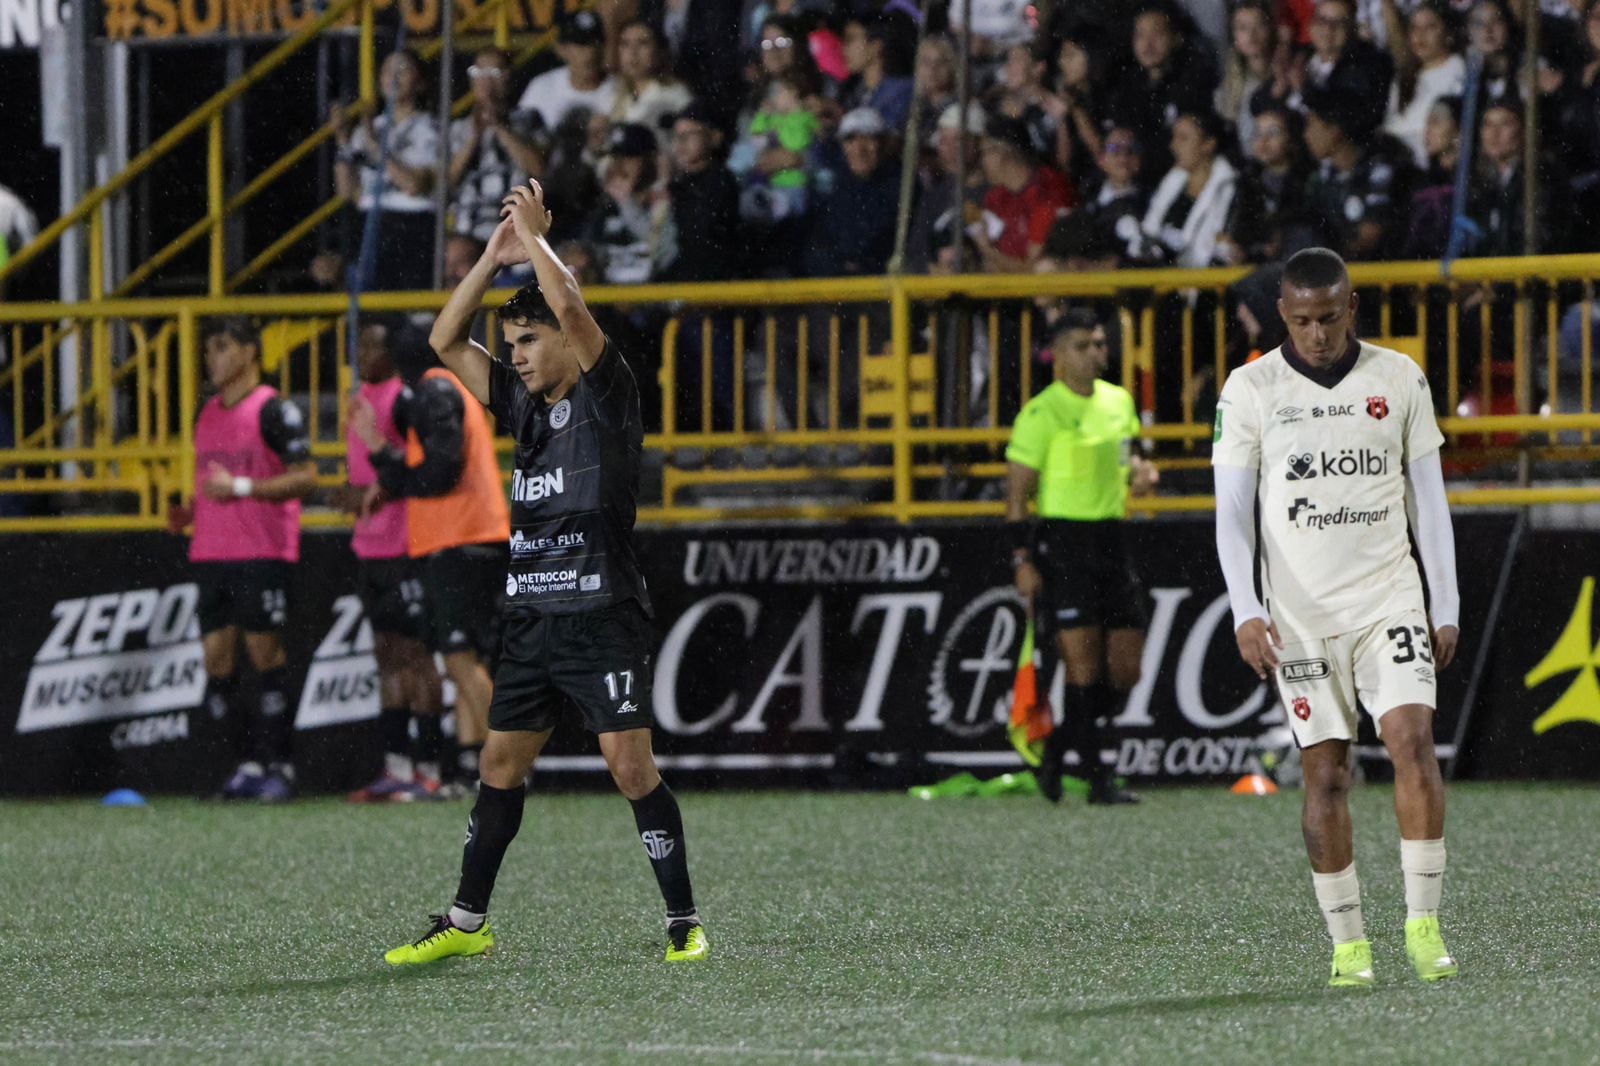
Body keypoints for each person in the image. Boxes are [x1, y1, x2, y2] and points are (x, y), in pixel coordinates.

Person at [383, 185, 708, 966]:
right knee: (499, 766)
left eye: (528, 340)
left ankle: (683, 920)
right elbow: (444, 337)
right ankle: (468, 924)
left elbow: (570, 304)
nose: (517, 356)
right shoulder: (522, 408)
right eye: (514, 343)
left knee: (630, 767)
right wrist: (495, 261)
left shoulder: (608, 392)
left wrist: (533, 241)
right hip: (532, 615)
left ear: (565, 337)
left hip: (602, 613)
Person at [1212, 246, 1461, 988]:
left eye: (1327, 318)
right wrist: (1245, 610)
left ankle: (1423, 925)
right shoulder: (1251, 388)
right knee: (1325, 775)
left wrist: (1443, 603)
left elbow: (1430, 499)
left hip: (1389, 598)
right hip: (1300, 616)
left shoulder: (1398, 376)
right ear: (1283, 316)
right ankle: (1349, 945)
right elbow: (1231, 515)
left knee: (1412, 742)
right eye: (1299, 321)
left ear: (1352, 309)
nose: (1315, 334)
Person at [353, 313, 511, 797]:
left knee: (460, 658)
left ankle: (510, 766)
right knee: (464, 658)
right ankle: (469, 771)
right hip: (471, 536)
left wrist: (380, 451)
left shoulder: (435, 390)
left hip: (459, 537)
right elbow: (430, 469)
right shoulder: (451, 386)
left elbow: (440, 474)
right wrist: (391, 471)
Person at [1007, 308, 1158, 806]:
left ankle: (1058, 748)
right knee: (1083, 667)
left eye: (1099, 344)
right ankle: (1098, 779)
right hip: (1065, 544)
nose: (1097, 352)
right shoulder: (1040, 413)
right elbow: (1016, 498)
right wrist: (1021, 559)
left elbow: (1129, 455)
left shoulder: (1119, 402)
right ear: (1058, 354)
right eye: (1084, 345)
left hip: (1112, 538)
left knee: (1126, 670)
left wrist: (1140, 472)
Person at [172, 317, 315, 801]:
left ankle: (282, 767)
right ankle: (244, 765)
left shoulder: (274, 410)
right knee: (216, 661)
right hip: (212, 553)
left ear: (250, 352)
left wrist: (242, 488)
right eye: (209, 349)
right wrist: (190, 512)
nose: (212, 358)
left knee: (265, 655)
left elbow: (306, 477)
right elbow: (208, 478)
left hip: (262, 551)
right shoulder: (206, 411)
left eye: (222, 347)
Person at [343, 318, 447, 803]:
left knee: (417, 656)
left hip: (407, 543)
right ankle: (396, 766)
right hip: (369, 545)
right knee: (385, 653)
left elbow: (417, 467)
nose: (362, 352)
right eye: (359, 344)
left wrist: (385, 485)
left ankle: (429, 768)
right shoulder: (358, 399)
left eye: (372, 345)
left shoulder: (405, 401)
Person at [332, 49, 442, 291]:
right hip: (370, 222)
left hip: (411, 223)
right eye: (387, 70)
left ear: (421, 83)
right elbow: (347, 191)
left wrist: (374, 146)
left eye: (403, 69)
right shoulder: (371, 128)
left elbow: (414, 185)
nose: (394, 76)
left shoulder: (430, 128)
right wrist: (342, 141)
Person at [448, 48, 546, 247]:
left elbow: (538, 169)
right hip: (469, 229)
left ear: (509, 77)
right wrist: (474, 138)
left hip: (517, 226)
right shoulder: (458, 128)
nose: (486, 81)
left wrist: (500, 127)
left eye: (494, 73)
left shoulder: (528, 119)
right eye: (478, 72)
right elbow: (447, 181)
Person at [1133, 109, 1238, 268]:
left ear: (1208, 144)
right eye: (1174, 137)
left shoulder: (1232, 188)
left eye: (1183, 138)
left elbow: (1226, 248)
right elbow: (1149, 234)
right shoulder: (1171, 182)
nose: (1173, 146)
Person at [1383, 0, 1466, 168]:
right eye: (1414, 28)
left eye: (1430, 27)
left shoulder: (1457, 69)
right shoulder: (1406, 76)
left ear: (1448, 33)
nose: (1420, 35)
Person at [517, 11, 617, 133]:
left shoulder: (621, 90)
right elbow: (521, 135)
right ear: (561, 49)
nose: (590, 53)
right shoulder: (542, 86)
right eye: (580, 44)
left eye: (595, 43)